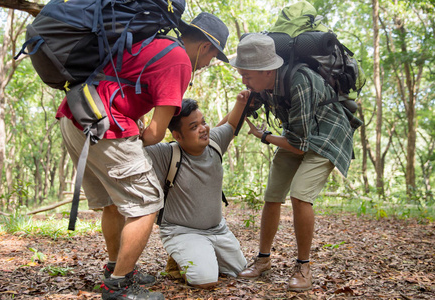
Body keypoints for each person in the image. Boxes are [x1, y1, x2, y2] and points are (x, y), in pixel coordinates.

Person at [55, 12, 230, 300]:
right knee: (147, 202)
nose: (209, 63)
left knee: (114, 202)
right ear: (206, 47)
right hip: (104, 124)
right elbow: (156, 133)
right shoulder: (179, 61)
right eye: (213, 56)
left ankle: (116, 269)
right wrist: (137, 138)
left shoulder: (156, 43)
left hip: (76, 114)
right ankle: (119, 287)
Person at [230, 34, 362, 291]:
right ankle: (263, 260)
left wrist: (265, 136)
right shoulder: (265, 86)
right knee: (273, 194)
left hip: (327, 137)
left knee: (300, 195)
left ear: (267, 70)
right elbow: (296, 137)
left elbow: (299, 146)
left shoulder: (299, 80)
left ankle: (303, 266)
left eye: (247, 75)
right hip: (298, 134)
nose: (243, 80)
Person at [145, 96, 248, 289]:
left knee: (240, 271)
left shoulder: (215, 142)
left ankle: (200, 256)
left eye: (204, 122)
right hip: (182, 231)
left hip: (218, 229)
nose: (203, 129)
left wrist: (241, 102)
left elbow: (233, 124)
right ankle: (183, 258)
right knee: (205, 280)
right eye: (194, 127)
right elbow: (135, 143)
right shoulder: (165, 154)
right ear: (178, 136)